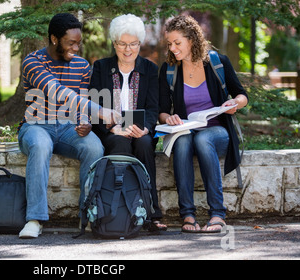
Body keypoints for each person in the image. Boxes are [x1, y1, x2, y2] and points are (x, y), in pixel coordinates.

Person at [18, 13, 117, 239]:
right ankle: (35, 219)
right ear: (54, 39)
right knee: (41, 145)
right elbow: (56, 91)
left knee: (94, 147)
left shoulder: (82, 66)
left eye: (79, 43)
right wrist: (100, 111)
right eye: (71, 43)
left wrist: (86, 120)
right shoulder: (33, 62)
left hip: (67, 128)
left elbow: (80, 99)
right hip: (36, 126)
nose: (77, 47)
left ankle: (88, 214)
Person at [158, 15, 248, 233]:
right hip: (185, 130)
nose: (173, 48)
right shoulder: (169, 69)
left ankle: (218, 214)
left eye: (177, 43)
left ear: (192, 39)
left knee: (204, 137)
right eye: (170, 44)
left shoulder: (218, 62)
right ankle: (187, 215)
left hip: (217, 132)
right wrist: (168, 118)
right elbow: (161, 110)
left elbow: (242, 95)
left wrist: (235, 103)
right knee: (183, 143)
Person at [89, 14, 167, 231]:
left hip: (139, 129)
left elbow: (153, 108)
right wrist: (111, 127)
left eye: (133, 44)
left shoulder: (150, 69)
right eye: (122, 44)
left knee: (143, 145)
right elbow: (94, 107)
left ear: (139, 44)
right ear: (114, 43)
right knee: (120, 145)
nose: (127, 49)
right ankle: (121, 212)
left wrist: (145, 128)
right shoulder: (101, 68)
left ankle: (151, 213)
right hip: (111, 129)